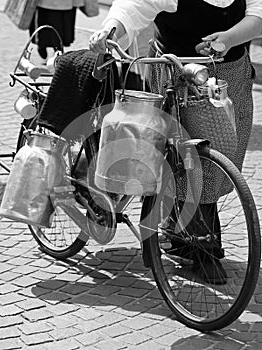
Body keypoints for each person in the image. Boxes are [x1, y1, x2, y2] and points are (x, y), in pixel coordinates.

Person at [89, 0, 262, 284]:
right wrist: (111, 29)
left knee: (224, 153)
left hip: (231, 72)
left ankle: (181, 227)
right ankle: (200, 244)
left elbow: (257, 11)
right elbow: (135, 4)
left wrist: (229, 38)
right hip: (175, 69)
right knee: (189, 154)